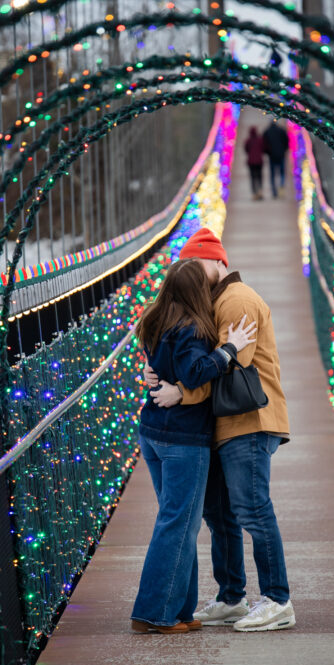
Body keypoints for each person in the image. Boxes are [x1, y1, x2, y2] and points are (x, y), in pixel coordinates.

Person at [146, 228, 295, 633]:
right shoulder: (210, 304)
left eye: (197, 264)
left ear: (218, 263)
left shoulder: (237, 300)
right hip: (224, 426)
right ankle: (232, 597)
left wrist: (180, 393)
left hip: (249, 422)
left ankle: (278, 599)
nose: (190, 272)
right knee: (220, 514)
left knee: (252, 509)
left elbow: (232, 368)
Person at [131, 258, 257, 635]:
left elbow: (161, 366)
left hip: (153, 433)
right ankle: (156, 614)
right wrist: (229, 349)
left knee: (178, 521)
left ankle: (181, 610)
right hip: (182, 440)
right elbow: (194, 373)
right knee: (178, 523)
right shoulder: (190, 328)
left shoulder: (155, 320)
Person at [263, 119, 289, 198]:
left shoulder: (267, 132)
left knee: (273, 174)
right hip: (281, 154)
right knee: (282, 173)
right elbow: (286, 141)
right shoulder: (281, 131)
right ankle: (281, 188)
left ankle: (274, 191)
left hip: (272, 156)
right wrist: (284, 150)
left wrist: (267, 152)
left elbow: (264, 143)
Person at [244, 125, 265, 200]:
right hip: (259, 161)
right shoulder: (260, 140)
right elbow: (263, 148)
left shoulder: (248, 141)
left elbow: (246, 149)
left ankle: (254, 193)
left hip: (251, 162)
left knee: (253, 178)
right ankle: (260, 191)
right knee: (259, 177)